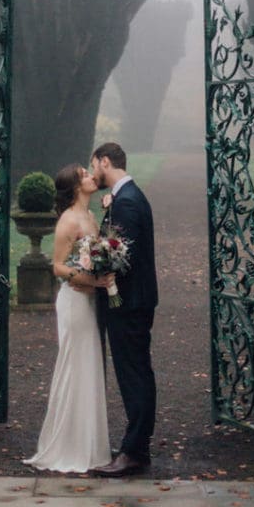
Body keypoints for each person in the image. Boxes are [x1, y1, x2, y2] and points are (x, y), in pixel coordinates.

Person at [23, 163, 114, 473]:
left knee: (90, 366)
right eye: (85, 175)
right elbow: (58, 266)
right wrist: (90, 280)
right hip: (75, 301)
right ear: (76, 187)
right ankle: (69, 445)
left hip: (90, 300)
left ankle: (90, 444)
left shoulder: (90, 216)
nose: (91, 176)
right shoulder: (68, 220)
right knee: (75, 365)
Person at [89, 142, 158, 476]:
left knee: (135, 375)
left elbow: (121, 257)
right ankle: (136, 448)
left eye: (94, 166)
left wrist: (90, 263)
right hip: (132, 301)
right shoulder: (125, 197)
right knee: (135, 372)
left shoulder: (128, 201)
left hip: (129, 303)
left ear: (105, 161)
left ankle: (135, 452)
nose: (93, 173)